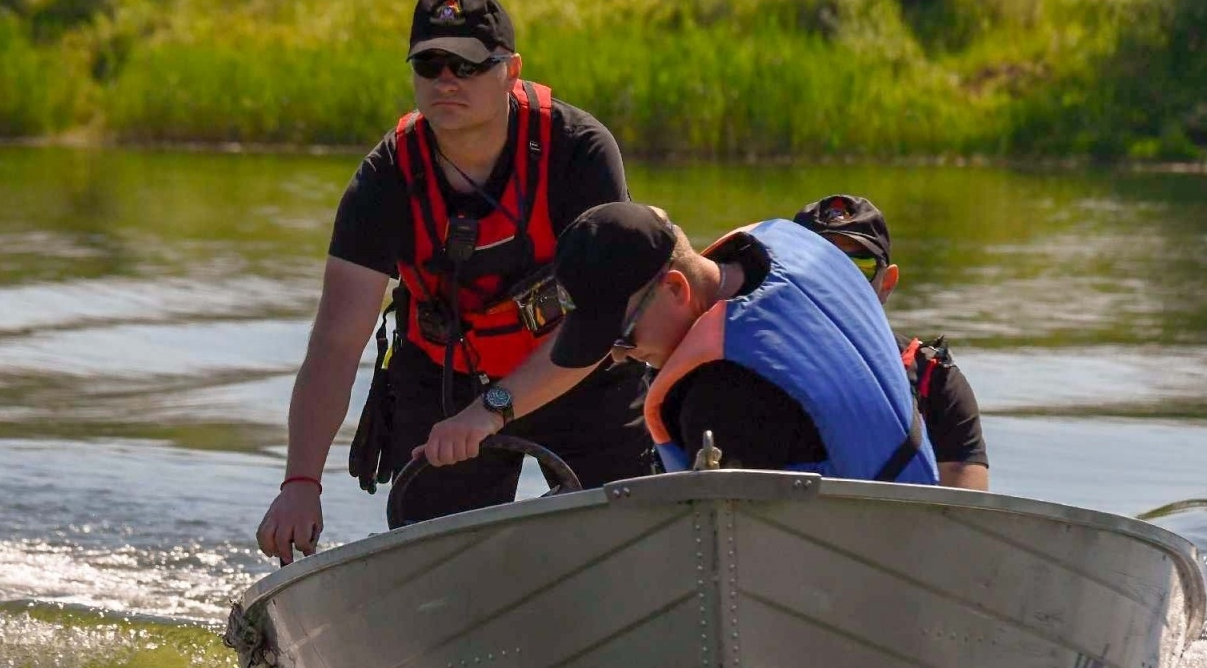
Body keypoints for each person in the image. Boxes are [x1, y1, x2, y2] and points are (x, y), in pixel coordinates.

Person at [255, 0, 649, 564]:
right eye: (430, 64)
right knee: (438, 566)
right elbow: (336, 345)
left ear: (511, 71)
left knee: (639, 535)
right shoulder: (384, 180)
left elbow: (604, 315)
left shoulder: (579, 152)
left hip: (578, 368)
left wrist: (491, 410)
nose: (447, 79)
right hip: (445, 384)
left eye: (468, 64)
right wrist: (300, 485)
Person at [417, 202, 941, 485]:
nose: (621, 356)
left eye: (622, 336)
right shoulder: (787, 245)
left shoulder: (711, 395)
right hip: (913, 503)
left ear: (676, 288)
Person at [793, 195, 989, 490]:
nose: (836, 286)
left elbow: (967, 517)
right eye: (818, 269)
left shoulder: (935, 381)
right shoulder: (738, 368)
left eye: (858, 268)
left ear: (887, 283)